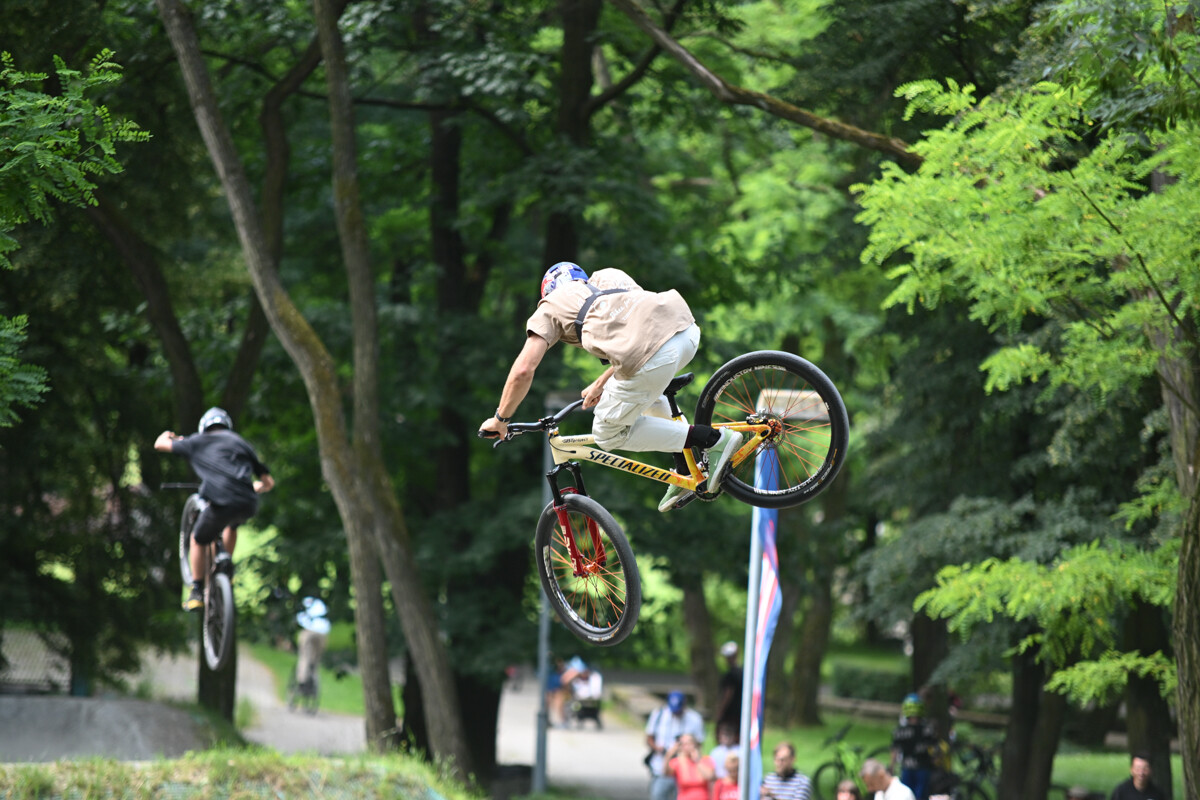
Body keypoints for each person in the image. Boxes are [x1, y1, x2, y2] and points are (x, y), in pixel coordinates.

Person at [478, 262, 743, 513]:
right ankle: (685, 466)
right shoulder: (608, 276)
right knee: (644, 396)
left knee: (607, 434)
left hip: (653, 356)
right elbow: (640, 326)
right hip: (685, 331)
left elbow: (524, 369)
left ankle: (712, 440)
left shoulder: (550, 306)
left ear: (548, 292)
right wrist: (602, 381)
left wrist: (501, 418)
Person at [156, 407, 274, 611]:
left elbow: (160, 444)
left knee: (197, 539)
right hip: (247, 502)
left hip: (221, 501)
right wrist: (255, 487)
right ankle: (225, 564)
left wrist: (171, 435)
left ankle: (197, 591)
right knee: (232, 524)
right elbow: (268, 482)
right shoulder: (240, 442)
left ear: (204, 427)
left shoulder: (196, 442)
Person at [646, 690, 706, 800]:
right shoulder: (659, 715)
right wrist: (659, 749)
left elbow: (700, 742)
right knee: (657, 795)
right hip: (661, 765)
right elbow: (649, 737)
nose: (676, 713)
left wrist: (688, 749)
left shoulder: (695, 719)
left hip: (684, 767)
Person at [891, 693, 939, 800]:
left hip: (919, 768)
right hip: (914, 768)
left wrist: (892, 767)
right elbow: (895, 750)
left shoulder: (902, 730)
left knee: (916, 795)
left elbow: (895, 750)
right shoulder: (926, 729)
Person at [294, 596, 330, 692]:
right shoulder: (321, 604)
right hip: (323, 633)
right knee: (316, 660)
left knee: (304, 657)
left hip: (310, 632)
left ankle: (302, 682)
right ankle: (314, 684)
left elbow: (301, 618)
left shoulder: (306, 601)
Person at [664, 733, 715, 800]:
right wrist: (668, 755)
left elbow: (710, 776)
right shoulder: (678, 761)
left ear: (695, 744)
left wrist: (697, 761)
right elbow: (666, 773)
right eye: (683, 744)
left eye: (689, 743)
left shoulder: (705, 760)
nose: (686, 747)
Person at [714, 641, 743, 732]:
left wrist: (721, 710)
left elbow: (728, 693)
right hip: (742, 711)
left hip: (731, 713)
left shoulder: (730, 675)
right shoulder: (744, 672)